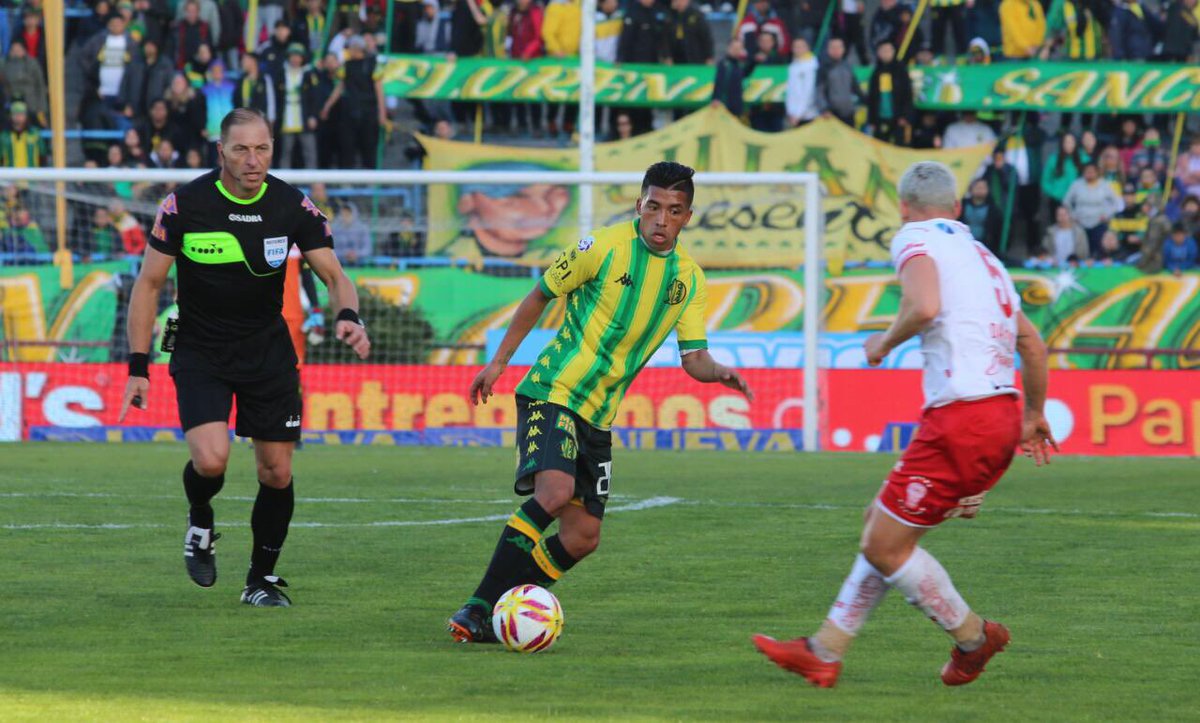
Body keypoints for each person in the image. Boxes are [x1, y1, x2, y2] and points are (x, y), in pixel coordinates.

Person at [753, 160, 1057, 688]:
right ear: (958, 208)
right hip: (999, 414)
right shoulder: (985, 257)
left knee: (886, 546)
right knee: (880, 524)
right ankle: (825, 650)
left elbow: (923, 305)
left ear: (903, 207)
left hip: (963, 417)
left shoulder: (914, 237)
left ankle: (973, 637)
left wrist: (883, 342)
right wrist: (1032, 414)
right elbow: (1032, 343)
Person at [446, 162, 754, 643]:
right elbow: (539, 295)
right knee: (552, 492)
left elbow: (694, 358)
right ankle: (478, 606)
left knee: (582, 537)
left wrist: (719, 373)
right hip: (553, 390)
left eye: (673, 211)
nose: (661, 219)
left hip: (599, 415)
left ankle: (508, 610)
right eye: (653, 207)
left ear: (687, 217)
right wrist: (500, 363)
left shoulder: (689, 280)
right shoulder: (601, 248)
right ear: (639, 205)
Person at [118, 108, 371, 608]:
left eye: (262, 148)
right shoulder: (184, 204)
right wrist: (138, 365)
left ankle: (260, 579)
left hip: (267, 352)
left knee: (276, 472)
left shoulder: (291, 205)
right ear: (221, 152)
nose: (253, 160)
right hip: (199, 348)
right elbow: (148, 285)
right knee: (210, 462)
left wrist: (348, 314)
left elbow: (335, 274)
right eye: (241, 149)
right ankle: (200, 519)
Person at [1064, 161, 1124, 257]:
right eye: (1087, 172)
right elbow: (1066, 201)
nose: (1089, 174)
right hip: (1080, 223)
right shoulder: (1076, 184)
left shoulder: (1104, 184)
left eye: (1092, 172)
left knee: (1100, 249)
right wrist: (1073, 216)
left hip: (1099, 222)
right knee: (1081, 249)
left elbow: (1116, 202)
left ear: (1097, 173)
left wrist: (1107, 215)